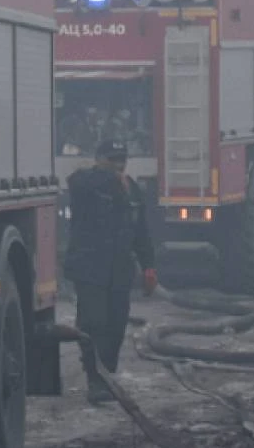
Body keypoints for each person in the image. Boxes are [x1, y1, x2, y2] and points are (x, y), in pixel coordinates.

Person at [64, 139, 158, 405]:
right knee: (93, 323)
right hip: (90, 269)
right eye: (113, 160)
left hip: (119, 272)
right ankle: (95, 380)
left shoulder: (132, 191)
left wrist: (149, 265)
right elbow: (77, 183)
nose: (119, 165)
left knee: (116, 326)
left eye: (122, 160)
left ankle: (107, 375)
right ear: (99, 160)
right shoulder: (86, 183)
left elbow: (142, 232)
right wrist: (110, 178)